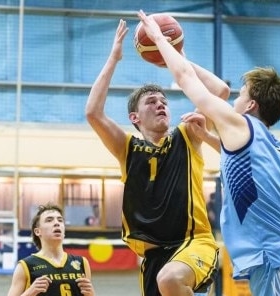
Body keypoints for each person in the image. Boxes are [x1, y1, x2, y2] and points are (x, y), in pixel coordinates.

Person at [137, 10, 280, 296]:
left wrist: (160, 41)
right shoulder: (270, 143)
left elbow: (187, 79)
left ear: (250, 105)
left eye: (240, 95)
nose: (234, 99)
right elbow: (244, 169)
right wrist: (207, 137)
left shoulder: (242, 125)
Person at [85, 19, 230, 296]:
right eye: (151, 102)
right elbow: (93, 112)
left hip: (194, 243)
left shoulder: (187, 134)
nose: (160, 104)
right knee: (167, 279)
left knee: (171, 279)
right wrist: (114, 58)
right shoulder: (127, 148)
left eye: (164, 102)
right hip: (153, 257)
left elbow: (220, 91)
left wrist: (173, 57)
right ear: (134, 118)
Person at [7, 203, 95, 296]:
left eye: (60, 220)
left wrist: (91, 294)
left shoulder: (81, 263)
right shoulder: (25, 266)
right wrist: (30, 292)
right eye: (49, 220)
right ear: (37, 231)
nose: (57, 223)